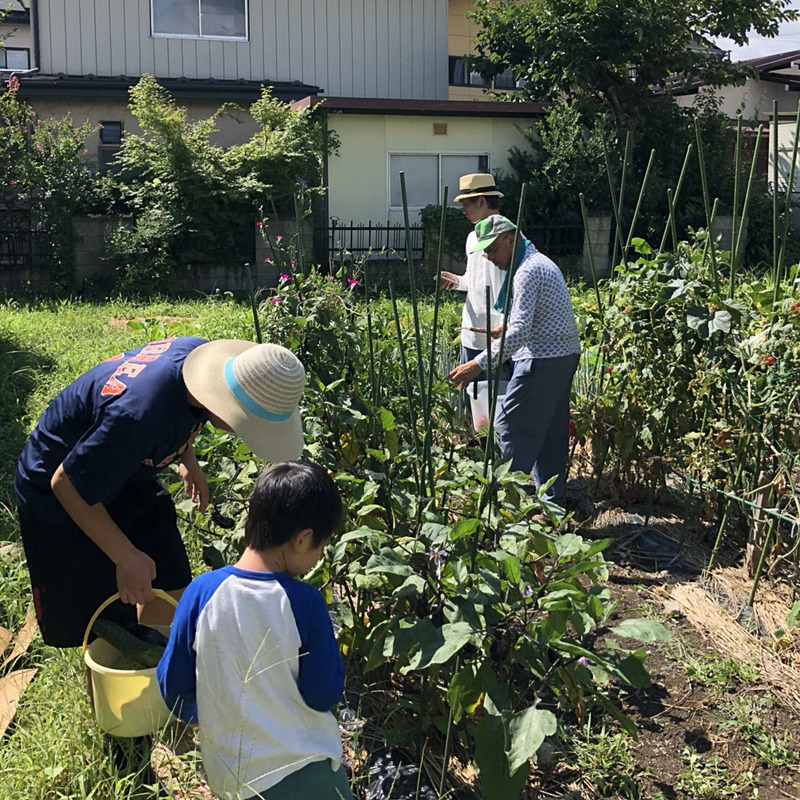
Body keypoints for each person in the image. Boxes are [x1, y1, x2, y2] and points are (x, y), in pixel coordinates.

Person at [14, 336, 306, 648]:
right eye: (245, 424)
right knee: (102, 626)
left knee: (169, 579)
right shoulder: (139, 415)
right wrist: (125, 556)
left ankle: (156, 665)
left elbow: (185, 408)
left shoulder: (200, 362)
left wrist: (186, 456)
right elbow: (66, 484)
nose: (242, 432)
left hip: (125, 471)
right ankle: (118, 677)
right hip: (60, 496)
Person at [157, 461, 353, 800]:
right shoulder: (303, 602)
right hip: (307, 772)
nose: (319, 557)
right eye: (321, 547)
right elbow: (323, 693)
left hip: (234, 780)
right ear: (302, 539)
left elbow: (173, 687)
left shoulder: (201, 593)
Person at [448, 215, 580, 507]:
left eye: (492, 250)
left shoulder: (527, 272)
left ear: (509, 239)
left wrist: (477, 365)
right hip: (562, 356)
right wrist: (504, 329)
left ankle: (505, 505)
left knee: (509, 426)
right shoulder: (537, 263)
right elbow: (531, 321)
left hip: (542, 360)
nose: (490, 258)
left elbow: (520, 333)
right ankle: (551, 506)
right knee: (550, 434)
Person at [439, 173, 512, 389]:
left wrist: (507, 324)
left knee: (495, 410)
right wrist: (457, 281)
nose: (463, 211)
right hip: (470, 333)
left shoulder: (507, 238)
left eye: (466, 204)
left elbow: (516, 288)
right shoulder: (472, 237)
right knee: (471, 402)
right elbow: (473, 280)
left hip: (497, 337)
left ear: (481, 201)